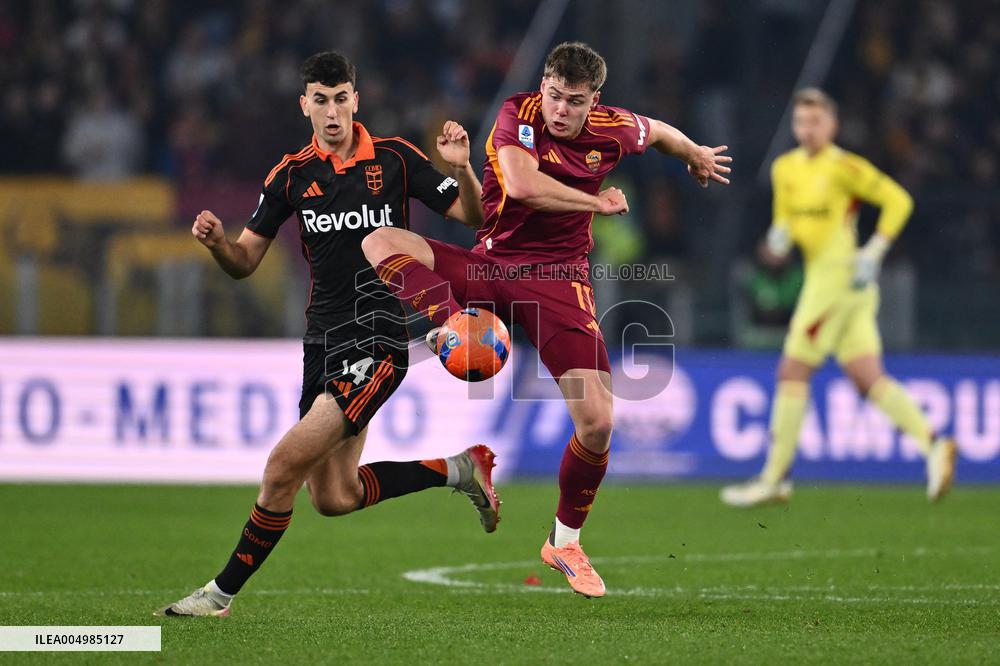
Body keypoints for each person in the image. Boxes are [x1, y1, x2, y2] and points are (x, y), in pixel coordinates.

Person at [362, 42, 732, 598]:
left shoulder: (613, 128)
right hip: (489, 266)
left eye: (573, 101)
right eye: (554, 95)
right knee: (383, 240)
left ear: (594, 102)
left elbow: (657, 131)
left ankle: (564, 541)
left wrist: (694, 153)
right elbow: (522, 185)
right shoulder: (518, 115)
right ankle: (448, 324)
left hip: (560, 280)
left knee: (599, 423)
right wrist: (596, 204)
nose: (559, 109)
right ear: (544, 87)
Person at [156, 51, 499, 617]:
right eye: (321, 100)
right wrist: (218, 242)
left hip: (380, 341)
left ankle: (218, 595)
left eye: (342, 99)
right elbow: (244, 261)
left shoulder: (395, 160)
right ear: (305, 105)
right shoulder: (289, 176)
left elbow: (473, 215)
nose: (333, 111)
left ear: (355, 100)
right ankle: (461, 469)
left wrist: (461, 166)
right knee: (334, 497)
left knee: (282, 466)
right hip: (321, 343)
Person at [721, 88, 956, 508]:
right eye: (801, 122)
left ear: (832, 126)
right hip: (826, 279)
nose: (807, 130)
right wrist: (779, 239)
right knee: (868, 377)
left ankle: (775, 477)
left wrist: (875, 250)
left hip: (840, 277)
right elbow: (786, 222)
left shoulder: (845, 166)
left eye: (815, 122)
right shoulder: (784, 168)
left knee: (792, 370)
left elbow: (898, 201)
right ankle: (933, 443)